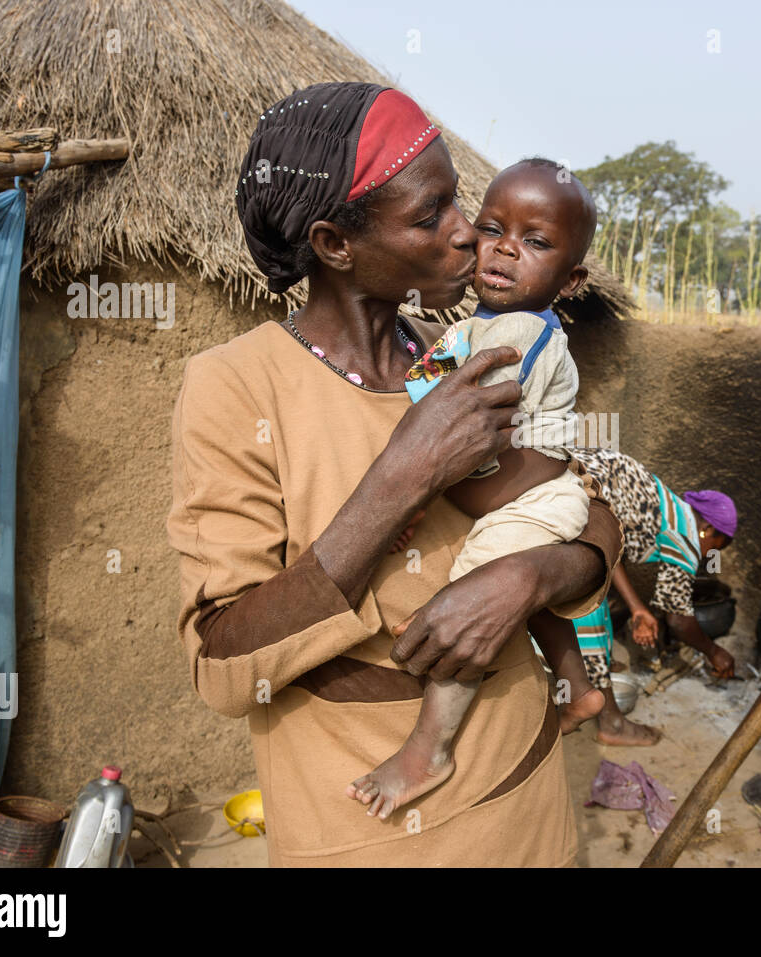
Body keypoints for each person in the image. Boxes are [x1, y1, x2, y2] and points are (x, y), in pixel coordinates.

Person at [167, 82, 622, 866]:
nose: (466, 238)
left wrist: (534, 575)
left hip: (526, 799)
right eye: (429, 217)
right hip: (367, 830)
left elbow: (586, 503)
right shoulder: (235, 387)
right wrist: (400, 476)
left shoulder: (475, 351)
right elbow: (223, 665)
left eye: (460, 207)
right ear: (336, 244)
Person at [345, 158, 606, 820]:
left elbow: (455, 431)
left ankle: (429, 747)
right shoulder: (471, 329)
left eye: (537, 242)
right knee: (535, 600)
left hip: (533, 501)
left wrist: (411, 486)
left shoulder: (518, 333)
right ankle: (578, 685)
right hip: (528, 498)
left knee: (476, 593)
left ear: (570, 279)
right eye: (492, 228)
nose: (506, 248)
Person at [565, 448, 738, 746]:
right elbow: (679, 620)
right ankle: (611, 722)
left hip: (565, 471)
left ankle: (588, 672)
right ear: (707, 529)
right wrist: (713, 651)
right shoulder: (685, 537)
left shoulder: (663, 500)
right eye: (717, 546)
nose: (711, 555)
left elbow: (609, 548)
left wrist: (636, 608)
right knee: (587, 600)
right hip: (571, 493)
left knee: (595, 584)